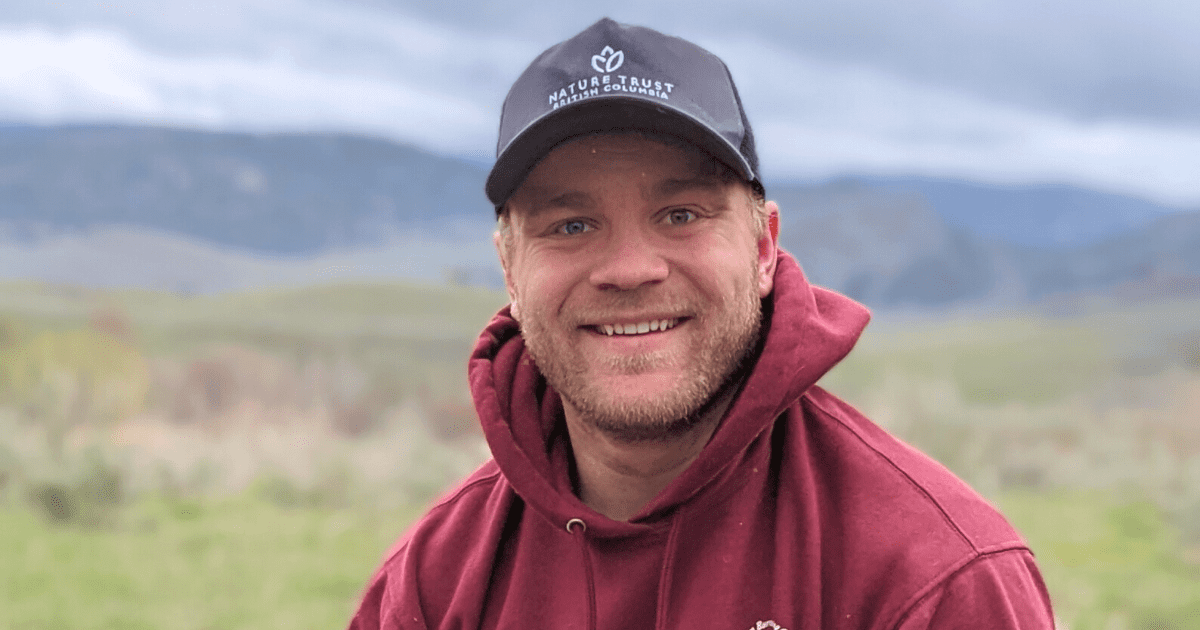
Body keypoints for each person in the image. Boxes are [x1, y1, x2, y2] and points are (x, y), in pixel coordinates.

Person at [348, 18, 1055, 630]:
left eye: (680, 215)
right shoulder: (432, 586)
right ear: (510, 270)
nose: (628, 268)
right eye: (571, 224)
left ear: (763, 247)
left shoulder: (938, 580)